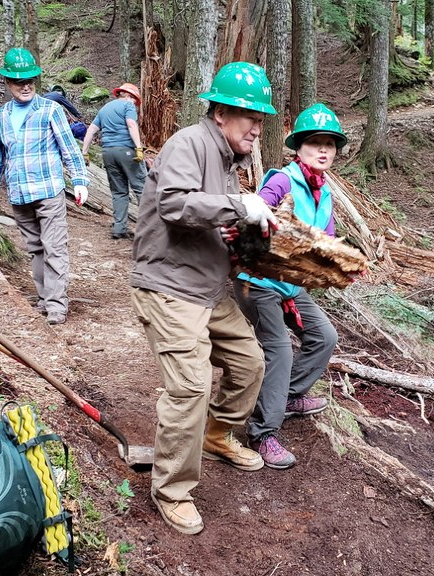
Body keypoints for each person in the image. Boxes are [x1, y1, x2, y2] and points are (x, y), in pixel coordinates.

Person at [129, 62, 278, 535]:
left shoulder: (229, 162)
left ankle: (216, 434)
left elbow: (212, 219)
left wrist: (244, 236)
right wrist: (239, 205)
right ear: (218, 114)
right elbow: (174, 204)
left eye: (260, 119)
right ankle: (171, 488)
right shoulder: (188, 144)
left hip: (209, 288)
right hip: (170, 288)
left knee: (250, 361)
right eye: (247, 116)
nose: (257, 127)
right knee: (191, 386)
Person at [231, 103, 345, 469]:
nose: (323, 150)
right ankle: (263, 431)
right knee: (278, 349)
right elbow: (254, 215)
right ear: (298, 147)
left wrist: (339, 265)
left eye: (330, 143)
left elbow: (322, 245)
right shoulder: (283, 179)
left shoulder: (324, 194)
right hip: (258, 282)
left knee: (324, 336)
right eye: (315, 143)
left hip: (291, 286)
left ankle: (289, 396)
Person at [0, 48, 89, 325]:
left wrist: (79, 181)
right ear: (7, 82)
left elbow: (70, 149)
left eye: (30, 79)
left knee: (54, 247)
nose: (26, 85)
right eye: (19, 81)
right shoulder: (2, 116)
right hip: (19, 195)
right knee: (35, 248)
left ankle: (56, 305)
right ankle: (44, 298)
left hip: (49, 191)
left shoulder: (50, 110)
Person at [81, 83, 147, 239]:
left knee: (119, 191)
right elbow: (131, 124)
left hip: (108, 153)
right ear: (129, 96)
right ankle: (150, 229)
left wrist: (84, 152)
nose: (134, 104)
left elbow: (91, 130)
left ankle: (119, 228)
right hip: (127, 151)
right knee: (143, 189)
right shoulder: (127, 106)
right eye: (134, 100)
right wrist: (138, 147)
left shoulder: (104, 109)